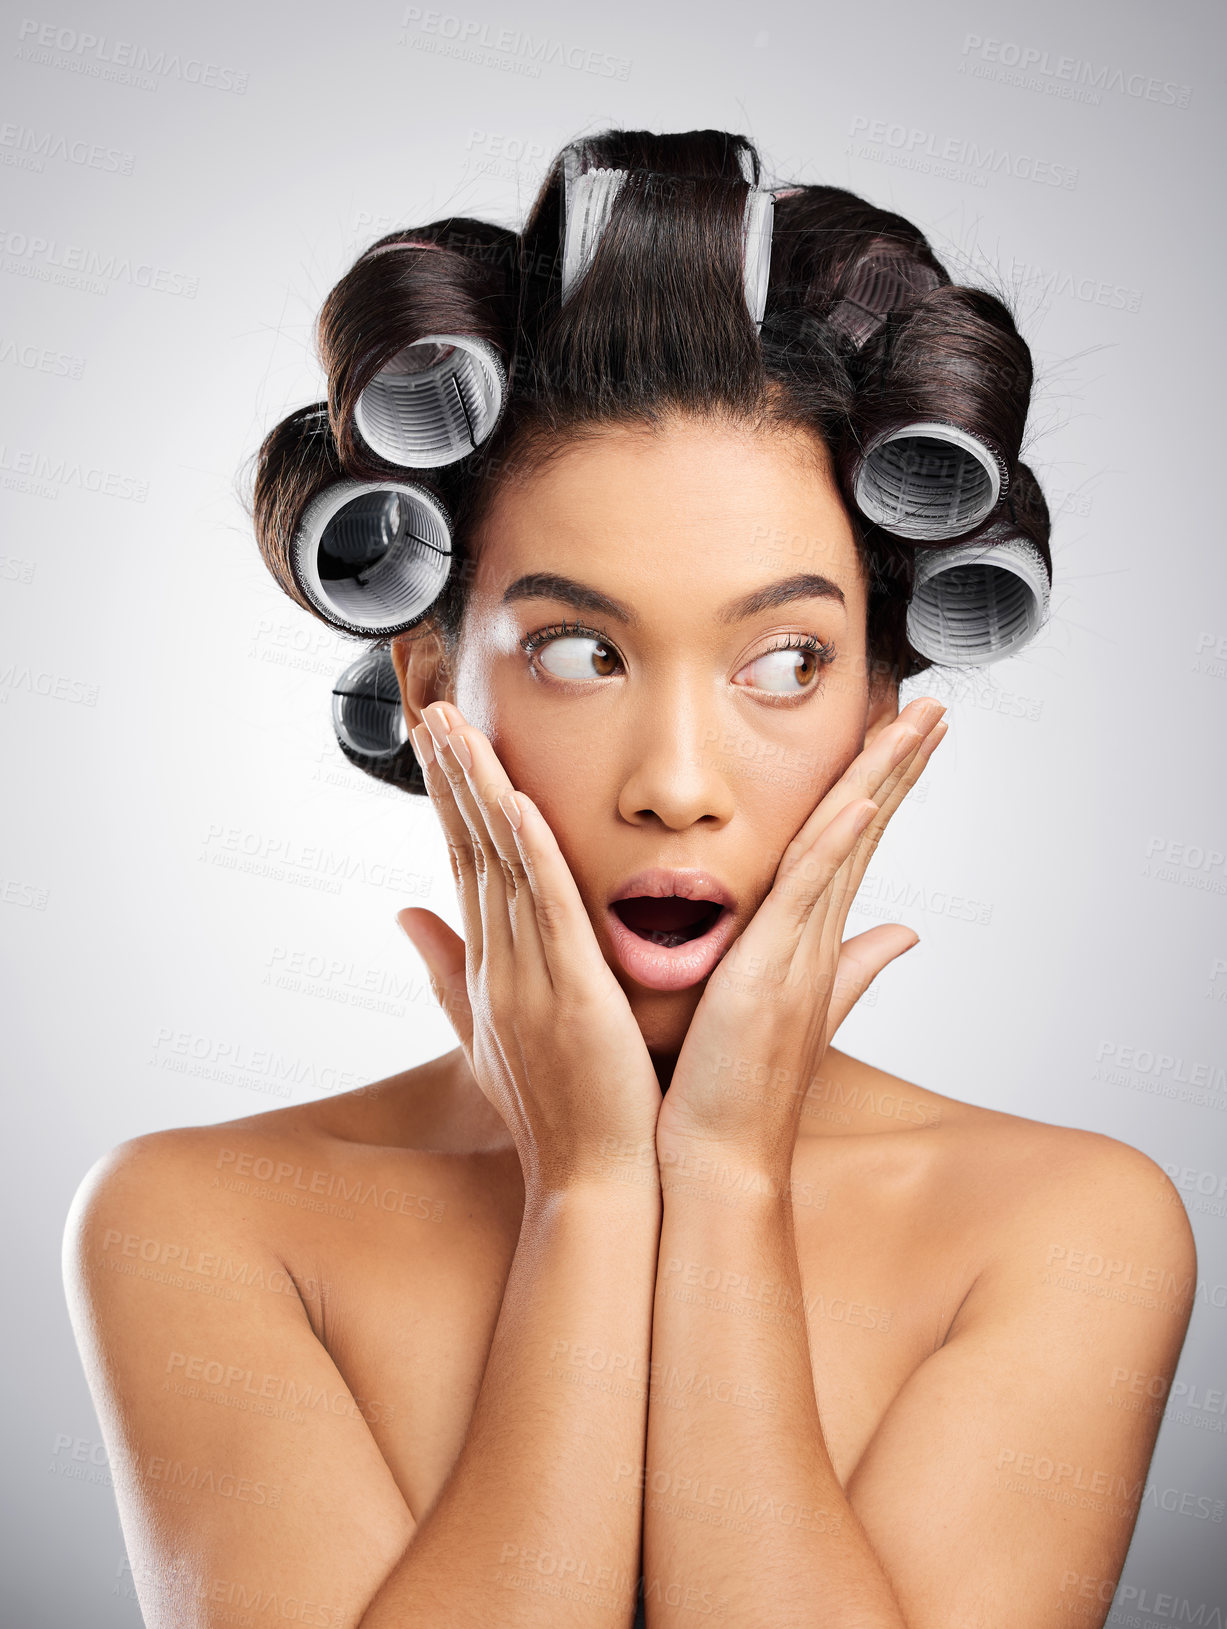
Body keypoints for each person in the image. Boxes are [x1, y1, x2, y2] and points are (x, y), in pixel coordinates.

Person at [63, 127, 1195, 1629]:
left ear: (879, 710)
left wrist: (723, 1183)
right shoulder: (201, 1224)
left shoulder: (1068, 1230)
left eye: (784, 660)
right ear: (429, 688)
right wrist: (590, 1196)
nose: (675, 779)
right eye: (579, 651)